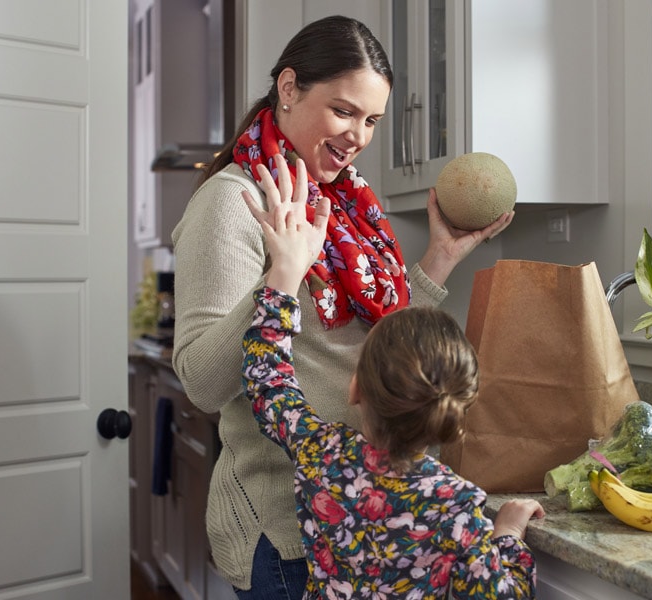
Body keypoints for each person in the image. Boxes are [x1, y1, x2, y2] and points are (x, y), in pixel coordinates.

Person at [171, 15, 513, 599]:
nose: (359, 135)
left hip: (368, 516)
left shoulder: (344, 202)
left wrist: (439, 259)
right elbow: (202, 382)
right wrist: (284, 274)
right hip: (290, 534)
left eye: (372, 120)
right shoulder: (234, 203)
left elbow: (372, 347)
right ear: (287, 88)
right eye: (344, 111)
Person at [241, 158, 544, 598]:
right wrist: (508, 535)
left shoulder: (322, 456)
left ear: (355, 387)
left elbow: (267, 379)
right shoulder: (457, 506)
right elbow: (503, 595)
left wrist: (285, 274)